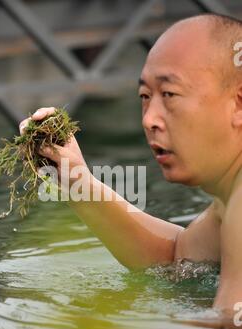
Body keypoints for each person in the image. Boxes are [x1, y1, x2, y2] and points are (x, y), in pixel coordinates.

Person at [19, 13, 242, 313]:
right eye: (145, 96)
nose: (149, 119)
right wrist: (77, 182)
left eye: (170, 94)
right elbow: (176, 259)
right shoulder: (228, 202)